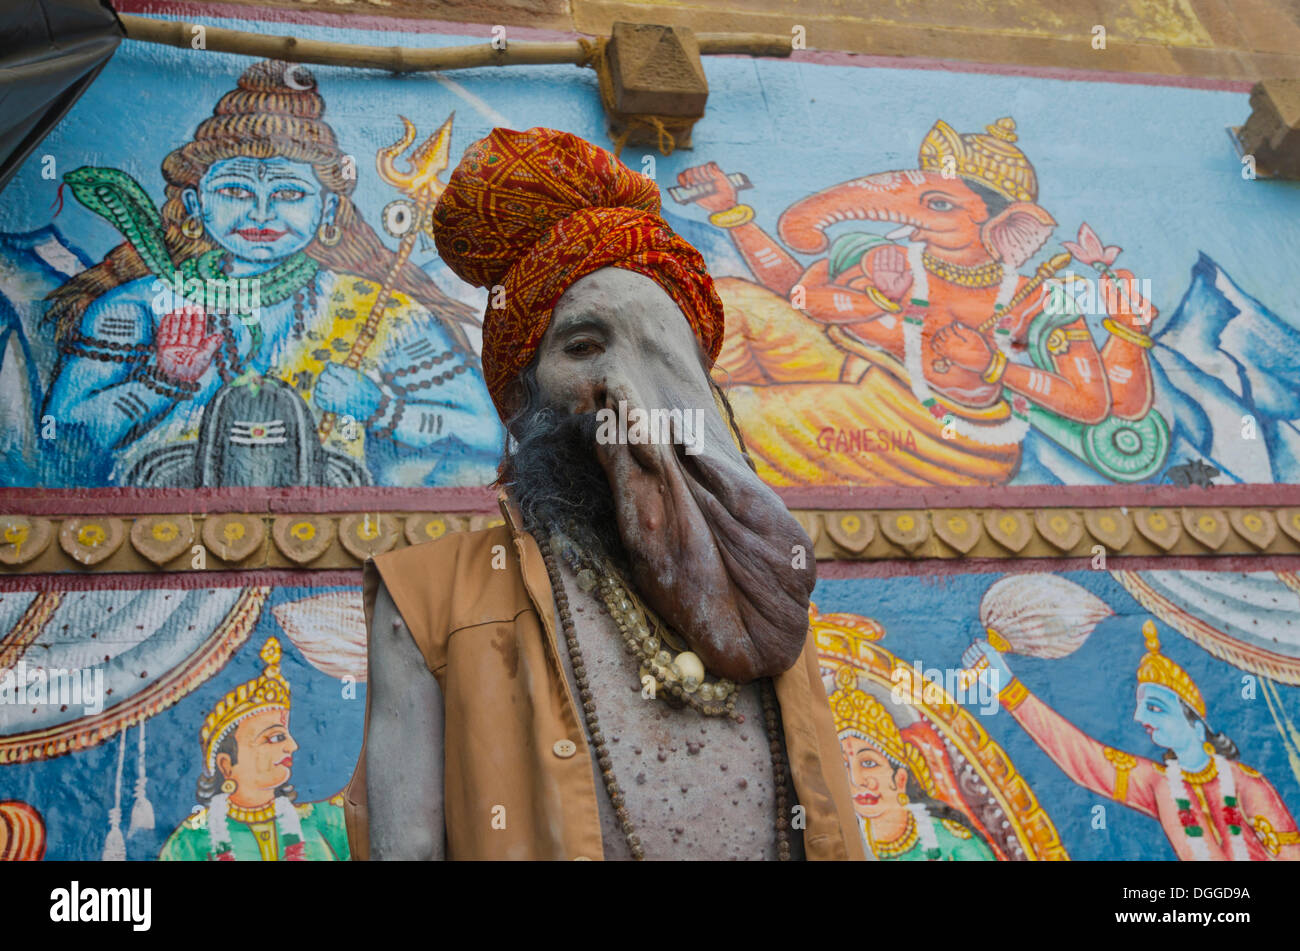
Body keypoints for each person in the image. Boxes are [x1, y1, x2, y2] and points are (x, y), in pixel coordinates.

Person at [343, 126, 865, 861]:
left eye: (659, 350)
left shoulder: (762, 591)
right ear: (523, 391)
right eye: (583, 347)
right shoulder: (427, 601)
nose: (625, 391)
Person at [43, 59, 499, 487]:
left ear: (328, 210)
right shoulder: (140, 306)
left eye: (288, 193)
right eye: (236, 190)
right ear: (196, 206)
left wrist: (382, 409)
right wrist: (162, 381)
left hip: (330, 545)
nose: (261, 213)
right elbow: (59, 439)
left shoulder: (379, 313)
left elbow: (485, 433)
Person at [964, 620, 1300, 860]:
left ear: (1195, 724)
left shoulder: (1247, 784)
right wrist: (1006, 685)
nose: (1140, 718)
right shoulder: (1160, 784)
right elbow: (1084, 760)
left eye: (1155, 707)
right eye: (1141, 707)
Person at [160, 638, 349, 861]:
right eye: (275, 738)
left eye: (286, 736)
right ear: (226, 764)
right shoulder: (190, 842)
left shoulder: (326, 823)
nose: (292, 746)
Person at [828, 667, 993, 860]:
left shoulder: (955, 845)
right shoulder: (835, 846)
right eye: (843, 765)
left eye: (869, 763)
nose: (856, 780)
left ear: (900, 778)